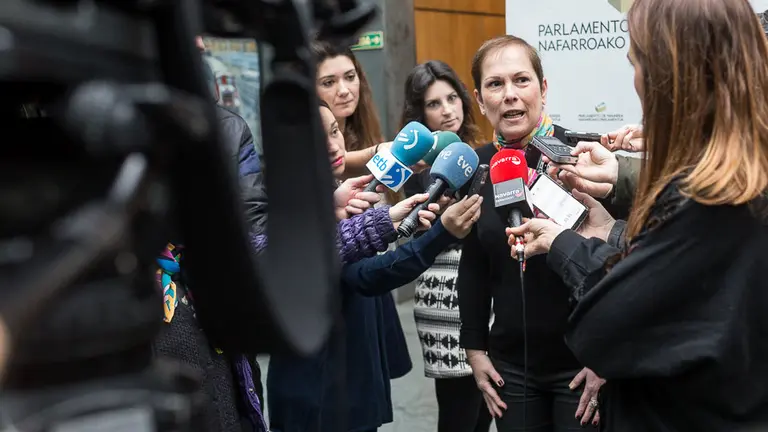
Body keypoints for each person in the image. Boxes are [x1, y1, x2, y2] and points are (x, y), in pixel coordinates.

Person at [507, 0, 768, 430]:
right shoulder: (738, 182)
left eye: (638, 62)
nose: (636, 81)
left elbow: (602, 331)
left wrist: (563, 244)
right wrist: (611, 230)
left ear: (673, 73)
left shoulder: (711, 202)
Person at [266, 101, 484, 432]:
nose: (332, 146)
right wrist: (442, 234)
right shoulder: (292, 210)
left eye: (335, 131)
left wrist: (406, 223)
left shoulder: (340, 194)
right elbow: (366, 275)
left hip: (352, 375)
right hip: (320, 394)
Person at [456, 35, 604, 431]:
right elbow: (473, 264)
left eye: (521, 80)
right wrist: (474, 348)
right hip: (512, 368)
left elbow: (618, 262)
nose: (509, 95)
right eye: (495, 84)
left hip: (583, 362)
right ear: (479, 98)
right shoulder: (476, 167)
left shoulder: (584, 158)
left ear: (543, 87)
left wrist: (608, 355)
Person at [400, 60, 492, 432]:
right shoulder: (418, 168)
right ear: (420, 114)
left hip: (487, 294)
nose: (447, 110)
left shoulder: (482, 152)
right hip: (445, 294)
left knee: (486, 408)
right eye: (434, 104)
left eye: (452, 98)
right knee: (458, 414)